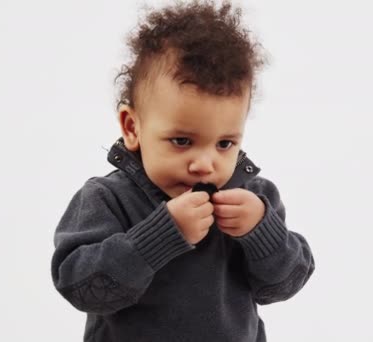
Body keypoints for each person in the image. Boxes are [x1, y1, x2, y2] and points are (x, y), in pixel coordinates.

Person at [50, 1, 315, 341]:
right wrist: (161, 235)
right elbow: (80, 287)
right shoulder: (106, 199)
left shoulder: (254, 198)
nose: (205, 165)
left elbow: (284, 284)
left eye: (224, 144)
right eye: (181, 140)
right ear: (132, 127)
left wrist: (261, 232)